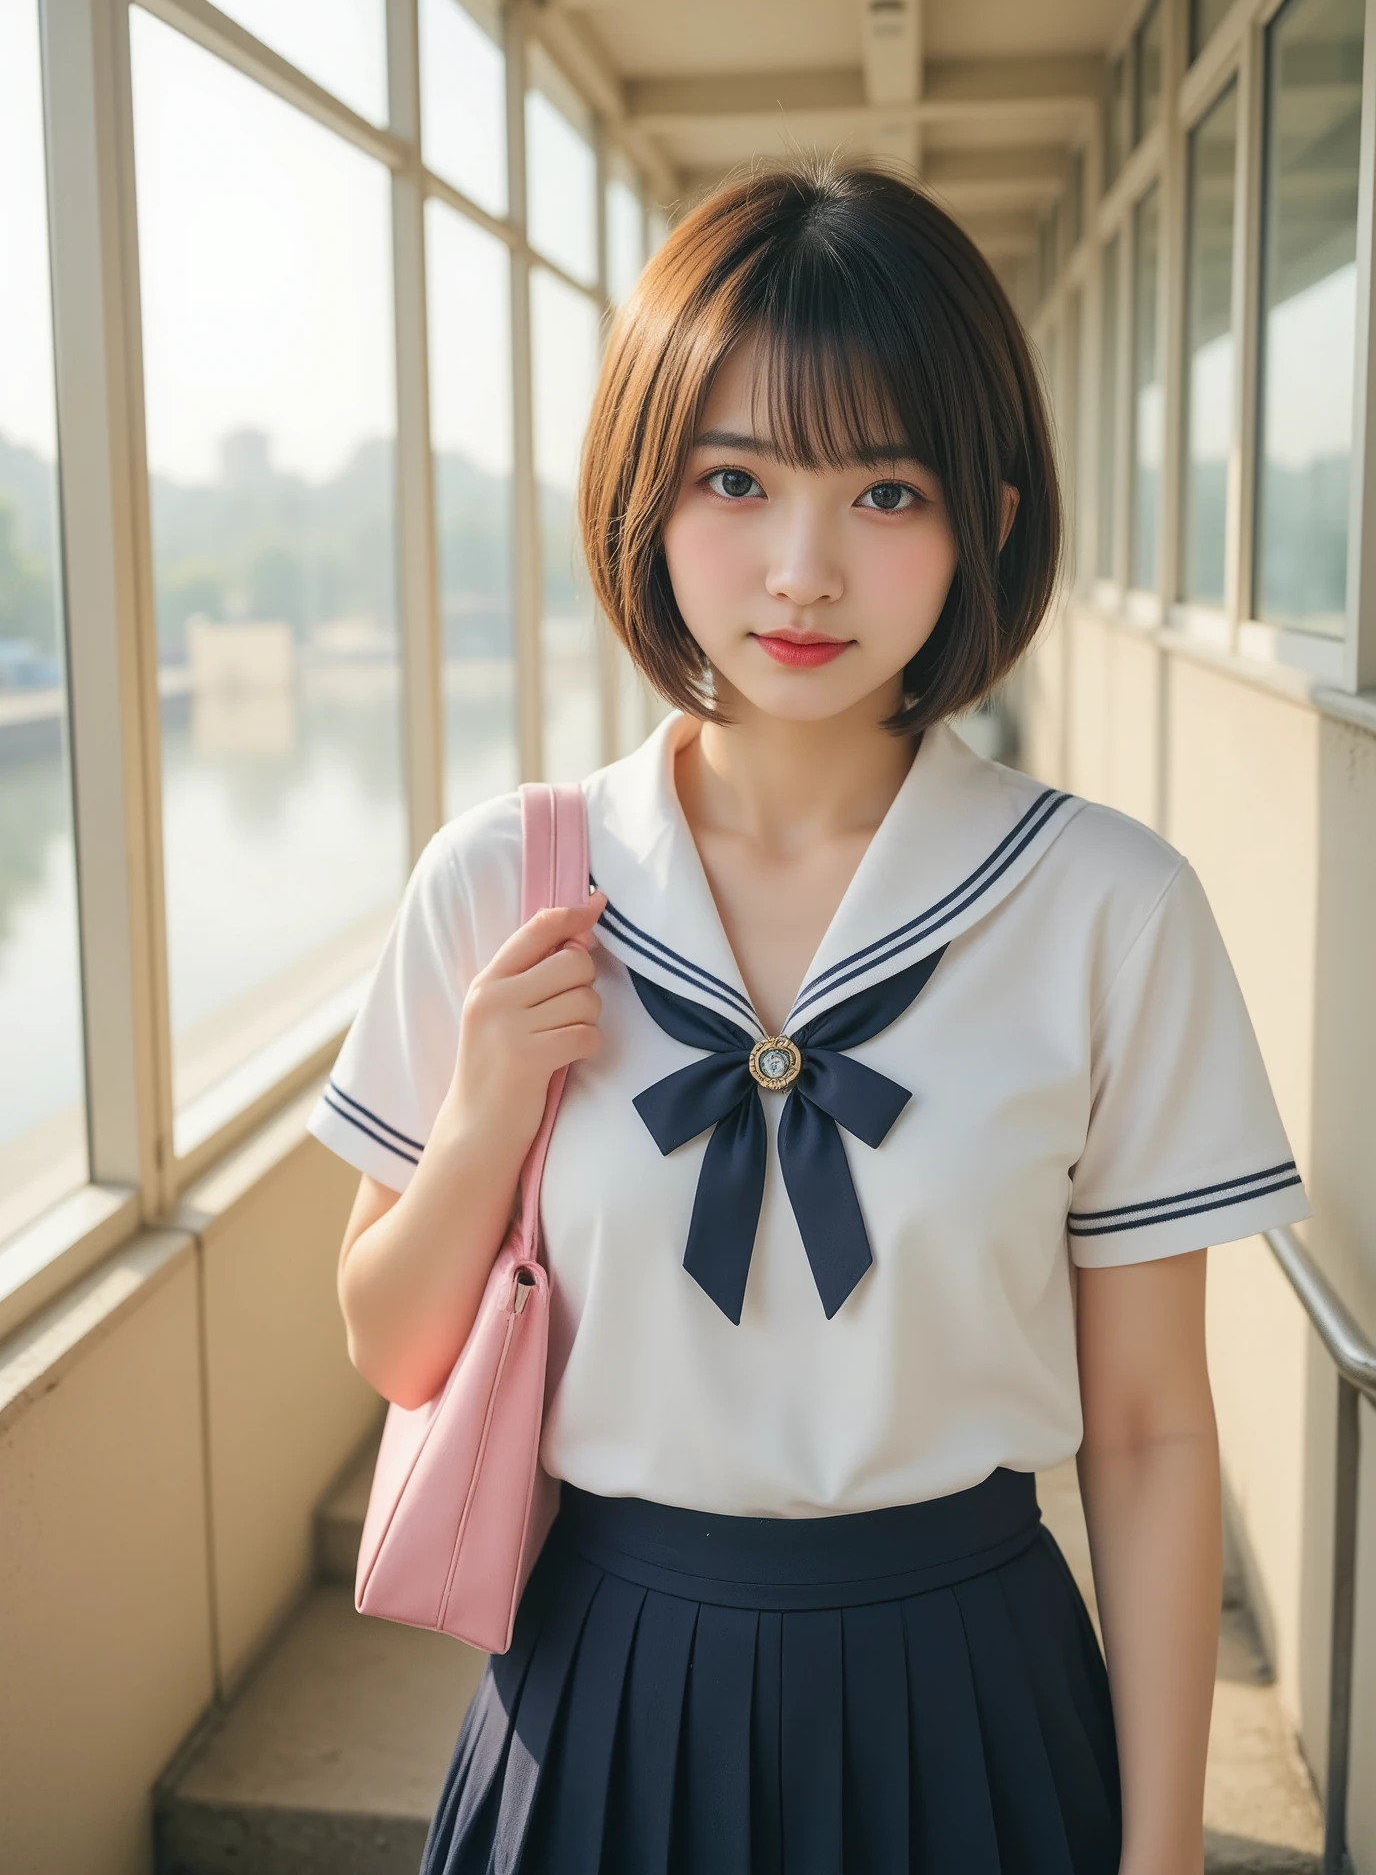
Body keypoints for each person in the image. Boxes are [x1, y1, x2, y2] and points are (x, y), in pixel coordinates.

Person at [310, 163, 1309, 1875]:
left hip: (973, 1692)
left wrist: (1167, 1854)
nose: (802, 569)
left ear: (987, 521)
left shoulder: (1104, 911)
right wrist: (485, 1108)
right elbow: (396, 1350)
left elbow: (1147, 1431)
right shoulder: (507, 880)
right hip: (601, 1689)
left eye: (885, 490)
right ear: (650, 489)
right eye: (737, 478)